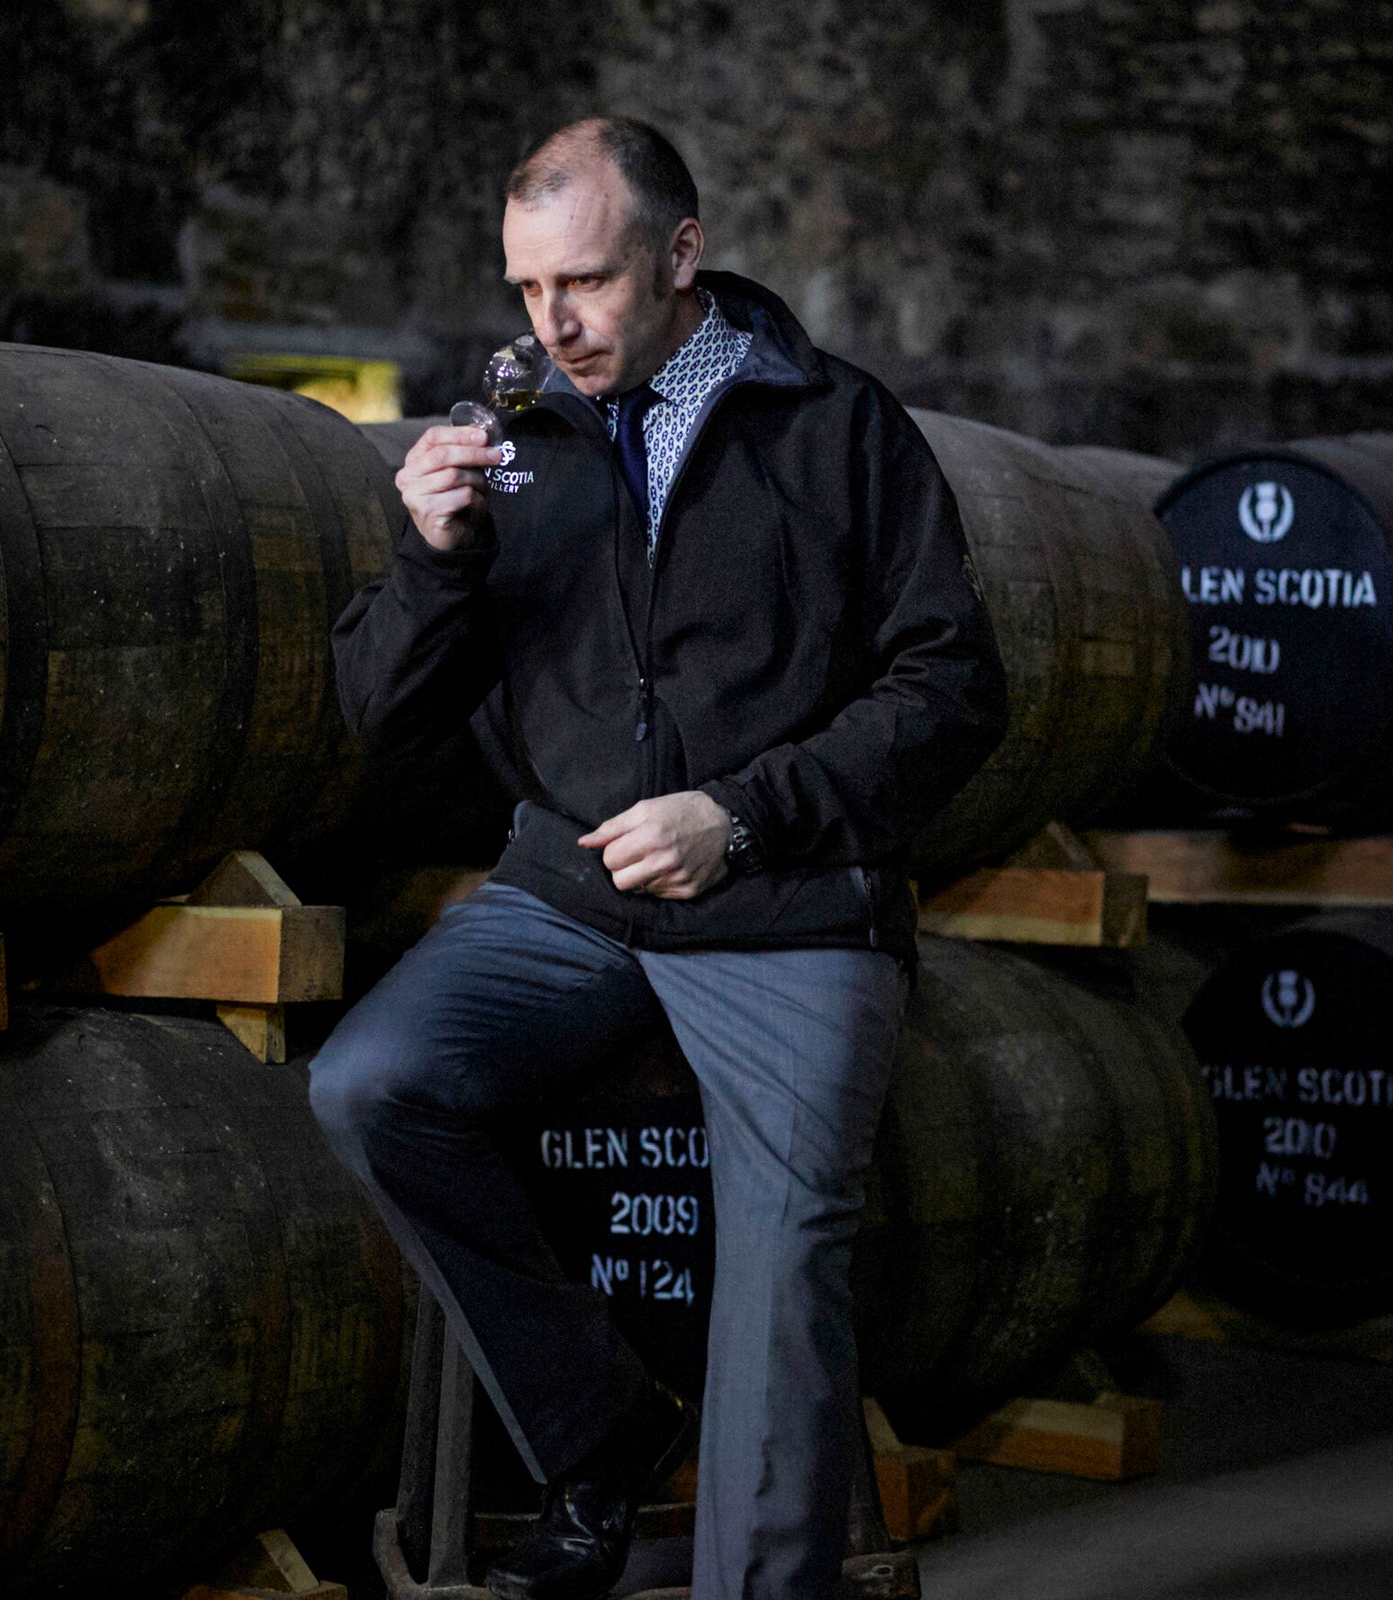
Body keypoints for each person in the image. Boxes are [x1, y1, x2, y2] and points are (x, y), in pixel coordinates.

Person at [309, 116, 1008, 1600]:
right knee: (370, 1086)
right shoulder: (516, 442)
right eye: (526, 289)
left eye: (586, 282)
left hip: (787, 903)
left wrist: (741, 815)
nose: (552, 323)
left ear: (681, 256)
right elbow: (381, 716)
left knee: (783, 1261)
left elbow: (954, 689)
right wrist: (432, 559)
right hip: (571, 899)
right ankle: (600, 1426)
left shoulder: (835, 425)